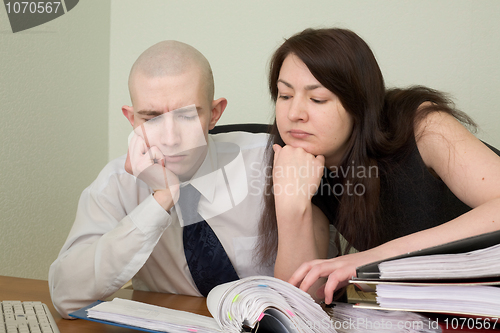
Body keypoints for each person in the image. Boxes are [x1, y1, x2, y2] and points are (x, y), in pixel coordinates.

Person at [255, 28, 500, 305]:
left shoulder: (421, 125)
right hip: (442, 307)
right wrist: (290, 206)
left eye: (317, 99)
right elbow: (299, 301)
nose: (293, 114)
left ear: (359, 104)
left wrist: (375, 257)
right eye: (285, 95)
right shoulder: (305, 165)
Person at [49, 40, 272, 318]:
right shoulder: (117, 182)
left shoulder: (269, 162)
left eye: (187, 115)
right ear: (132, 119)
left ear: (214, 113)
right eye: (152, 117)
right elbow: (65, 297)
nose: (170, 139)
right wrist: (160, 200)